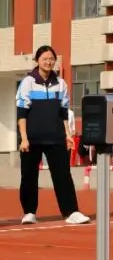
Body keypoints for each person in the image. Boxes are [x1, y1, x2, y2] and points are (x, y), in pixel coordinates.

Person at [15, 45, 89, 225]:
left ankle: (71, 212)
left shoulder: (61, 84)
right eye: (44, 59)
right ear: (37, 61)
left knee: (63, 175)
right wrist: (24, 138)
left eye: (51, 59)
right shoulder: (28, 82)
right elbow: (22, 113)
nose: (48, 62)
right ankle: (29, 212)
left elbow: (64, 112)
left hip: (55, 137)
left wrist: (68, 134)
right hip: (32, 139)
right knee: (29, 176)